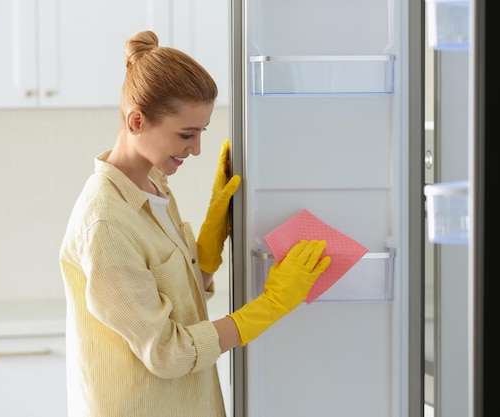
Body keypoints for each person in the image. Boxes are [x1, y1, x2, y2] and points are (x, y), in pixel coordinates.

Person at [59, 30, 332, 417]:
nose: (197, 148)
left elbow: (175, 301)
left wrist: (209, 242)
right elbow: (168, 352)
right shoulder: (106, 224)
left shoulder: (154, 188)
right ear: (136, 121)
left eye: (201, 132)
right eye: (186, 134)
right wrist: (270, 306)